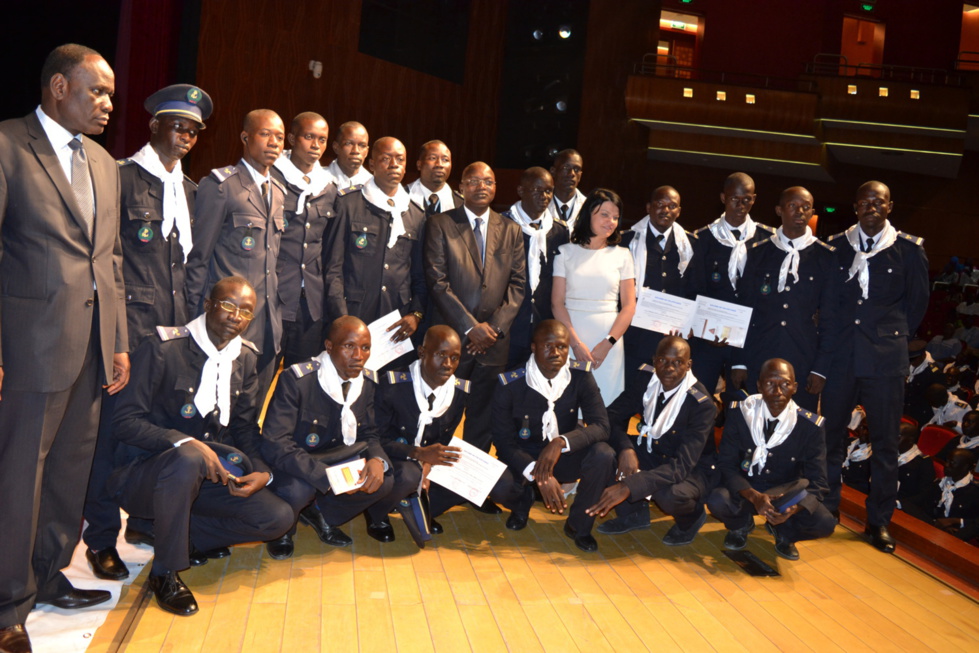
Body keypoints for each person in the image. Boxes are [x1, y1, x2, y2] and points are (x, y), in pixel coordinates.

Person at [0, 44, 130, 652]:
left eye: (110, 94)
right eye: (96, 91)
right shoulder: (7, 145)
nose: (108, 103)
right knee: (19, 476)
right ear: (58, 87)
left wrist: (120, 341)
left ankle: (50, 575)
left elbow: (111, 259)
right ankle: (7, 604)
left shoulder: (104, 162)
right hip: (30, 347)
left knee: (68, 473)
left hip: (93, 348)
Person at [82, 83, 213, 582]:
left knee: (160, 435)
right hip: (131, 339)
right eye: (178, 126)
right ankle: (98, 539)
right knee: (109, 441)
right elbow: (106, 267)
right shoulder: (119, 178)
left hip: (175, 344)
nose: (185, 137)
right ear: (154, 124)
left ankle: (142, 522)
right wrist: (116, 340)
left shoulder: (195, 192)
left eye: (195, 131)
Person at [106, 277, 293, 616]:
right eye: (228, 306)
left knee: (277, 517)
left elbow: (244, 429)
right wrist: (184, 441)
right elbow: (124, 422)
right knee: (189, 457)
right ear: (208, 304)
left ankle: (160, 529)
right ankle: (164, 572)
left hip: (206, 475)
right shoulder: (164, 347)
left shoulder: (246, 359)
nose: (236, 316)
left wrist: (263, 472)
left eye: (246, 312)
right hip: (145, 474)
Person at [821, 180, 929, 553]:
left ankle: (878, 522)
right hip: (841, 358)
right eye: (865, 201)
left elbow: (916, 307)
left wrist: (888, 336)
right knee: (831, 439)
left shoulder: (908, 251)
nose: (872, 207)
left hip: (885, 360)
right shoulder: (836, 246)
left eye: (878, 201)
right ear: (855, 207)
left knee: (884, 446)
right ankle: (827, 509)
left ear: (890, 206)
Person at [261, 316, 415, 550]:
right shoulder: (298, 380)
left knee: (383, 479)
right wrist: (324, 477)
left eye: (365, 348)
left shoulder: (368, 382)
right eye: (349, 346)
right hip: (298, 462)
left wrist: (377, 459)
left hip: (339, 457)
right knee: (299, 489)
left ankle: (321, 514)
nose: (359, 356)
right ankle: (284, 530)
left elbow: (370, 433)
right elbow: (276, 443)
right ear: (329, 346)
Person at [375, 325, 533, 531]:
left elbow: (446, 437)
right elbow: (377, 441)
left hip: (431, 459)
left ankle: (424, 507)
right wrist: (419, 454)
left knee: (498, 480)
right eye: (441, 355)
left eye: (455, 357)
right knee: (408, 475)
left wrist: (431, 462)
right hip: (398, 460)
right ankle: (383, 511)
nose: (448, 364)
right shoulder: (393, 384)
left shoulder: (458, 390)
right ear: (422, 353)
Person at [424, 161, 526, 458]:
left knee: (483, 420)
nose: (482, 186)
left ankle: (469, 489)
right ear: (461, 187)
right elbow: (437, 282)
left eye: (489, 181)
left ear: (495, 188)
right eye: (474, 181)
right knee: (442, 414)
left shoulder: (510, 230)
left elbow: (518, 285)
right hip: (453, 339)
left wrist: (492, 329)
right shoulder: (440, 224)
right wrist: (471, 328)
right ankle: (428, 486)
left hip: (494, 343)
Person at [185, 109, 287, 398]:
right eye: (265, 134)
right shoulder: (221, 186)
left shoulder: (278, 192)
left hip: (266, 322)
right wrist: (195, 320)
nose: (274, 142)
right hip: (226, 322)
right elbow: (198, 259)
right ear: (245, 136)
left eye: (279, 137)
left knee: (250, 409)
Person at [493, 320, 615, 551]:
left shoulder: (580, 376)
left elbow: (602, 426)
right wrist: (539, 475)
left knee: (604, 455)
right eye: (548, 346)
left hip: (562, 454)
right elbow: (503, 440)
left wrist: (561, 442)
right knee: (498, 484)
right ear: (533, 347)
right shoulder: (510, 382)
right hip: (524, 456)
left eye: (562, 347)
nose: (556, 353)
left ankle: (579, 525)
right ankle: (522, 503)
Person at [590, 336, 717, 545]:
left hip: (692, 468)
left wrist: (630, 485)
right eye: (663, 361)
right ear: (654, 360)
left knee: (669, 494)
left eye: (678, 362)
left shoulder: (701, 404)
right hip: (655, 451)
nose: (669, 368)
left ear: (688, 365)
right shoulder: (646, 379)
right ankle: (634, 514)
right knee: (606, 452)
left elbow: (682, 465)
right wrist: (626, 449)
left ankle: (691, 518)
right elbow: (611, 416)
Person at [707, 359, 836, 560]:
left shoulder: (810, 426)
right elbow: (726, 464)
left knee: (825, 523)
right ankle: (741, 525)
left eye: (785, 384)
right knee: (717, 499)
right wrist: (755, 497)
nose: (777, 391)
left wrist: (793, 509)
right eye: (770, 383)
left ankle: (785, 533)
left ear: (795, 387)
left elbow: (818, 482)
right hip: (747, 489)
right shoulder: (740, 413)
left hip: (784, 494)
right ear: (758, 385)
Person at [732, 186, 841, 411]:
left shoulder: (826, 257)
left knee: (799, 427)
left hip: (803, 357)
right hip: (759, 354)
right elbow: (742, 310)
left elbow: (831, 319)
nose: (799, 212)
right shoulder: (757, 253)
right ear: (779, 210)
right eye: (793, 206)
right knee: (753, 422)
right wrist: (739, 360)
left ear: (812, 213)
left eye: (806, 207)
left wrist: (820, 368)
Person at [325, 137, 426, 366]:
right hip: (354, 314)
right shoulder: (349, 203)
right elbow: (333, 268)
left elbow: (420, 275)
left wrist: (416, 314)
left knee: (388, 395)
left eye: (400, 159)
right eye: (385, 159)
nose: (394, 165)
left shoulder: (415, 214)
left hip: (396, 324)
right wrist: (341, 318)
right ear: (371, 164)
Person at [688, 172, 774, 396]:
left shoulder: (766, 240)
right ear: (723, 198)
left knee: (742, 407)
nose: (741, 204)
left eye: (747, 199)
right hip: (708, 340)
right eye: (735, 199)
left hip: (749, 341)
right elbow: (695, 290)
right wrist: (707, 331)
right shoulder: (702, 238)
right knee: (699, 402)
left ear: (754, 199)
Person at [552, 188, 636, 405]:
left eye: (616, 217)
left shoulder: (623, 255)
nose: (611, 222)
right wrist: (576, 344)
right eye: (604, 214)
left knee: (604, 406)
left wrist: (608, 343)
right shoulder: (565, 252)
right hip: (572, 338)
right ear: (588, 214)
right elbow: (557, 303)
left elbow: (628, 307)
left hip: (609, 341)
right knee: (569, 406)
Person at [271, 111, 337, 366]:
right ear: (291, 138)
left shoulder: (328, 188)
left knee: (301, 382)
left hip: (311, 302)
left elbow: (328, 248)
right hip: (276, 294)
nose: (316, 146)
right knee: (259, 382)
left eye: (322, 139)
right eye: (309, 137)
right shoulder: (273, 178)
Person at [620, 185, 695, 374]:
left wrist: (690, 322)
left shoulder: (691, 244)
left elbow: (695, 288)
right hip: (634, 336)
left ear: (679, 211)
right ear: (648, 207)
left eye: (672, 206)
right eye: (660, 204)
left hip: (672, 341)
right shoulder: (626, 241)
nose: (666, 210)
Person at [502, 166, 569, 368]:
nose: (545, 196)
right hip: (509, 325)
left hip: (543, 325)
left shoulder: (559, 231)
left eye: (549, 190)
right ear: (521, 191)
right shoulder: (502, 224)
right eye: (537, 190)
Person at [905, 449, 979, 541]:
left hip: (958, 538)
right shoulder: (940, 483)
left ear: (965, 466)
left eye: (952, 463)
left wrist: (956, 522)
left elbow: (975, 524)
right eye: (947, 461)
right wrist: (898, 503)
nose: (947, 465)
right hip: (931, 530)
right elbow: (922, 501)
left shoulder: (974, 491)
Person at [407, 140, 462, 216]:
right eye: (433, 158)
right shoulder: (402, 197)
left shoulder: (461, 204)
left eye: (445, 160)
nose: (439, 164)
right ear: (419, 165)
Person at [896, 422, 936, 510]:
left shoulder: (923, 463)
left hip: (903, 507)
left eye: (898, 437)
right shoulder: (887, 453)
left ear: (910, 440)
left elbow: (924, 495)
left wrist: (899, 503)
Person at [906, 339, 945, 425]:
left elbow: (936, 399)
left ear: (923, 355)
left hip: (923, 414)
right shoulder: (912, 366)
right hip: (909, 409)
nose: (912, 363)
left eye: (914, 359)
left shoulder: (933, 372)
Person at [326, 121, 372, 192]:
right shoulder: (318, 178)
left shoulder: (373, 186)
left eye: (362, 145)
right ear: (336, 147)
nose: (356, 151)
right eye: (348, 143)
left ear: (367, 152)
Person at [547, 149, 586, 232]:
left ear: (580, 176)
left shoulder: (589, 207)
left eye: (576, 169)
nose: (572, 173)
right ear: (553, 171)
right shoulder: (539, 204)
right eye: (566, 167)